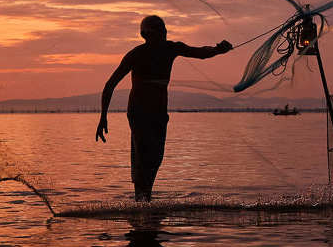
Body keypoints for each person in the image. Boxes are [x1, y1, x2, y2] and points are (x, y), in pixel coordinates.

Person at [96, 15, 232, 201]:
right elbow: (109, 85)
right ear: (145, 34)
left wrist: (218, 50)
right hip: (139, 113)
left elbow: (199, 52)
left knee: (156, 158)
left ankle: (144, 199)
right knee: (144, 156)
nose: (163, 33)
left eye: (164, 29)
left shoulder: (171, 49)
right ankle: (142, 199)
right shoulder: (136, 54)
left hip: (159, 113)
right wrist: (103, 117)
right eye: (158, 30)